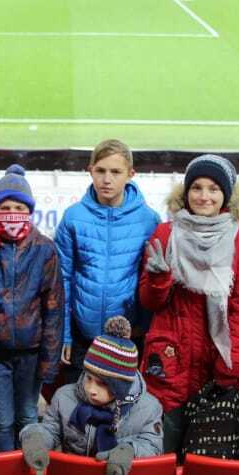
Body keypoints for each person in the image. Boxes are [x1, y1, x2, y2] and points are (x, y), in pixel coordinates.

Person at [139, 155, 239, 453]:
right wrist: (159, 280)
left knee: (206, 461)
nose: (204, 196)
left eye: (213, 189)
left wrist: (230, 364)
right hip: (170, 361)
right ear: (186, 192)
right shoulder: (165, 234)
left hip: (216, 363)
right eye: (197, 188)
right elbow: (149, 301)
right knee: (162, 453)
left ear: (226, 196)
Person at [0, 165, 64, 451]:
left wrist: (49, 361)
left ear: (29, 210)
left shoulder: (44, 249)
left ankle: (26, 471)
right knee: (2, 420)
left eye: (19, 207)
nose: (12, 213)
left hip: (31, 354)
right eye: (5, 207)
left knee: (28, 417)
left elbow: (54, 309)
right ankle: (5, 471)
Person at [55, 139, 160, 374]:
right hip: (82, 338)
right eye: (100, 171)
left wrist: (143, 329)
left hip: (128, 339)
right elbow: (62, 279)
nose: (107, 179)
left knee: (122, 397)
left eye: (115, 172)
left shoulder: (149, 220)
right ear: (90, 171)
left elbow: (151, 281)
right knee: (78, 396)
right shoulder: (73, 217)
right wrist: (65, 334)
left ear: (130, 174)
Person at [20, 317, 163, 475]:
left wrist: (130, 450)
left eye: (103, 383)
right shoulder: (64, 397)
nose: (91, 390)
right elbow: (51, 429)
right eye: (88, 378)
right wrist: (36, 436)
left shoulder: (148, 409)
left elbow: (153, 445)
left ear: (122, 386)